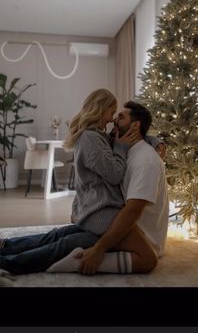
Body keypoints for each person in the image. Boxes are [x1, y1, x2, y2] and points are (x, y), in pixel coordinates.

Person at [0, 88, 138, 275]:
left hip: (95, 213)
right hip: (101, 218)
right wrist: (121, 148)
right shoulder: (91, 138)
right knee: (61, 245)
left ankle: (6, 246)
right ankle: (8, 263)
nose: (112, 118)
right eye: (110, 112)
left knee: (59, 236)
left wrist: (157, 143)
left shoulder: (96, 136)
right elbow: (114, 174)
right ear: (100, 109)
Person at [47, 101, 169, 275]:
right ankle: (6, 245)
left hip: (139, 238)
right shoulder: (121, 147)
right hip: (117, 226)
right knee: (61, 234)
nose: (113, 120)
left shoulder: (146, 161)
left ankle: (12, 262)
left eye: (120, 116)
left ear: (135, 125)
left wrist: (99, 249)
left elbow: (132, 212)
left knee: (66, 243)